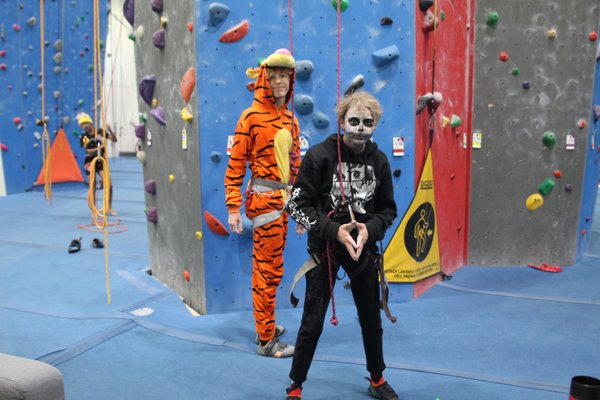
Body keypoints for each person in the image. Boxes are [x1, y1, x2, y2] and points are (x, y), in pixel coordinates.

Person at [285, 91, 399, 399]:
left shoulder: (379, 160)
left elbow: (389, 209)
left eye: (368, 122)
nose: (361, 128)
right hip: (326, 250)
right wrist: (332, 231)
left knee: (371, 318)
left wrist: (369, 230)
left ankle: (377, 379)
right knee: (312, 321)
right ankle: (295, 386)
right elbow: (297, 205)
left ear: (375, 125)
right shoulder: (320, 156)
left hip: (362, 249)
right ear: (341, 121)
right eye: (354, 121)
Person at [223, 48, 302, 358]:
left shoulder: (291, 119)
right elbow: (236, 164)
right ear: (264, 79)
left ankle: (265, 323)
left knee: (274, 268)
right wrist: (232, 207)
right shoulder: (250, 117)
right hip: (264, 202)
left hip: (283, 202)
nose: (279, 81)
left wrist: (298, 209)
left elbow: (294, 168)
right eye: (274, 76)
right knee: (267, 270)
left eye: (284, 75)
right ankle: (266, 339)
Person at [77, 112, 118, 216]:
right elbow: (89, 151)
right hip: (90, 161)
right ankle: (93, 209)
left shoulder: (100, 131)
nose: (85, 126)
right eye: (82, 124)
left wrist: (110, 130)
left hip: (101, 160)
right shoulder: (84, 136)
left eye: (86, 123)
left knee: (109, 183)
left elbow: (114, 140)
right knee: (93, 185)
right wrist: (100, 147)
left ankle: (109, 207)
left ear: (90, 122)